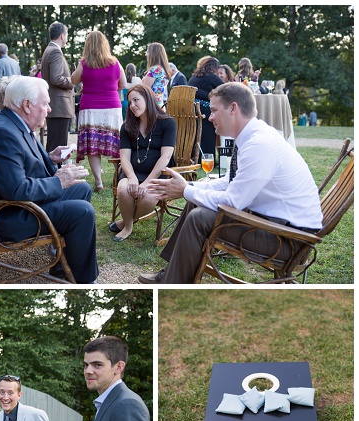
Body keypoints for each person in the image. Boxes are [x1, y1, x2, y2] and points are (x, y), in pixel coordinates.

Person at [138, 82, 323, 284]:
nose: (210, 117)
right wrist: (191, 188)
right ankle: (172, 273)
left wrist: (186, 191)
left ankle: (173, 283)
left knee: (199, 216)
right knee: (196, 201)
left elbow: (234, 201)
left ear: (233, 108)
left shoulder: (259, 145)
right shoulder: (253, 136)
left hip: (288, 239)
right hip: (276, 224)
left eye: (215, 110)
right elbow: (230, 181)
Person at [0, 76, 98, 284]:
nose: (49, 110)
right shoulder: (2, 133)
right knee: (82, 212)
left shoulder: (13, 123)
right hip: (6, 217)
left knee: (81, 189)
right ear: (27, 105)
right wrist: (59, 181)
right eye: (46, 104)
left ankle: (64, 261)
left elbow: (16, 165)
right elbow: (17, 189)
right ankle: (82, 280)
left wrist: (50, 158)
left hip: (19, 206)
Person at [108, 84, 176, 242]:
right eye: (130, 102)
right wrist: (131, 177)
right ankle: (128, 227)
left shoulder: (167, 123)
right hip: (133, 172)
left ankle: (125, 221)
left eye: (136, 100)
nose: (132, 105)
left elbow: (165, 157)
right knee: (124, 189)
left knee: (148, 198)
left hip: (157, 175)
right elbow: (124, 157)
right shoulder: (127, 127)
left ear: (148, 98)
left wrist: (147, 182)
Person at [71, 30, 126, 192]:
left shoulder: (84, 64)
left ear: (88, 45)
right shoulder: (115, 63)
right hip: (111, 106)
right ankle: (118, 177)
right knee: (116, 143)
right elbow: (122, 84)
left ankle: (99, 181)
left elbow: (73, 80)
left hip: (90, 107)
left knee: (93, 146)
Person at [40, 22, 75, 152]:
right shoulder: (55, 52)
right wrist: (73, 81)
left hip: (54, 105)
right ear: (62, 36)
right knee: (58, 147)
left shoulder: (49, 50)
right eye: (66, 35)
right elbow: (56, 78)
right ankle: (56, 172)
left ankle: (53, 170)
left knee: (54, 144)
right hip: (59, 106)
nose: (66, 38)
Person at [187, 57, 223, 154]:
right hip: (204, 112)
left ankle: (196, 157)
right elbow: (226, 89)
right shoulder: (211, 76)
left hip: (191, 110)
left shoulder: (194, 77)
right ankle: (207, 157)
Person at [142, 43, 171, 108]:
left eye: (147, 52)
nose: (146, 54)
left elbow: (143, 89)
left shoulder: (155, 69)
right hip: (160, 105)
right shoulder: (163, 69)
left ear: (153, 54)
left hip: (151, 106)